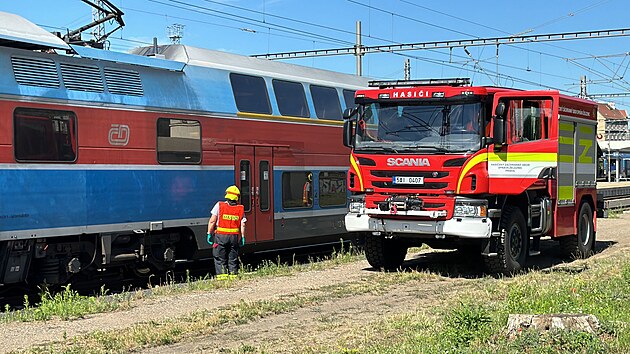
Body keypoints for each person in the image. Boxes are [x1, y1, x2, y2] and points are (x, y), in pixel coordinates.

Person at [207, 185, 246, 279]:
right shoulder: (240, 208)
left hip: (220, 236)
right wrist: (243, 237)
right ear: (237, 197)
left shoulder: (219, 206)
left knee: (220, 258)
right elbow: (243, 224)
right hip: (234, 237)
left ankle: (222, 278)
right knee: (233, 258)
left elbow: (212, 221)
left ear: (227, 195)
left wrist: (209, 233)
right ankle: (233, 277)